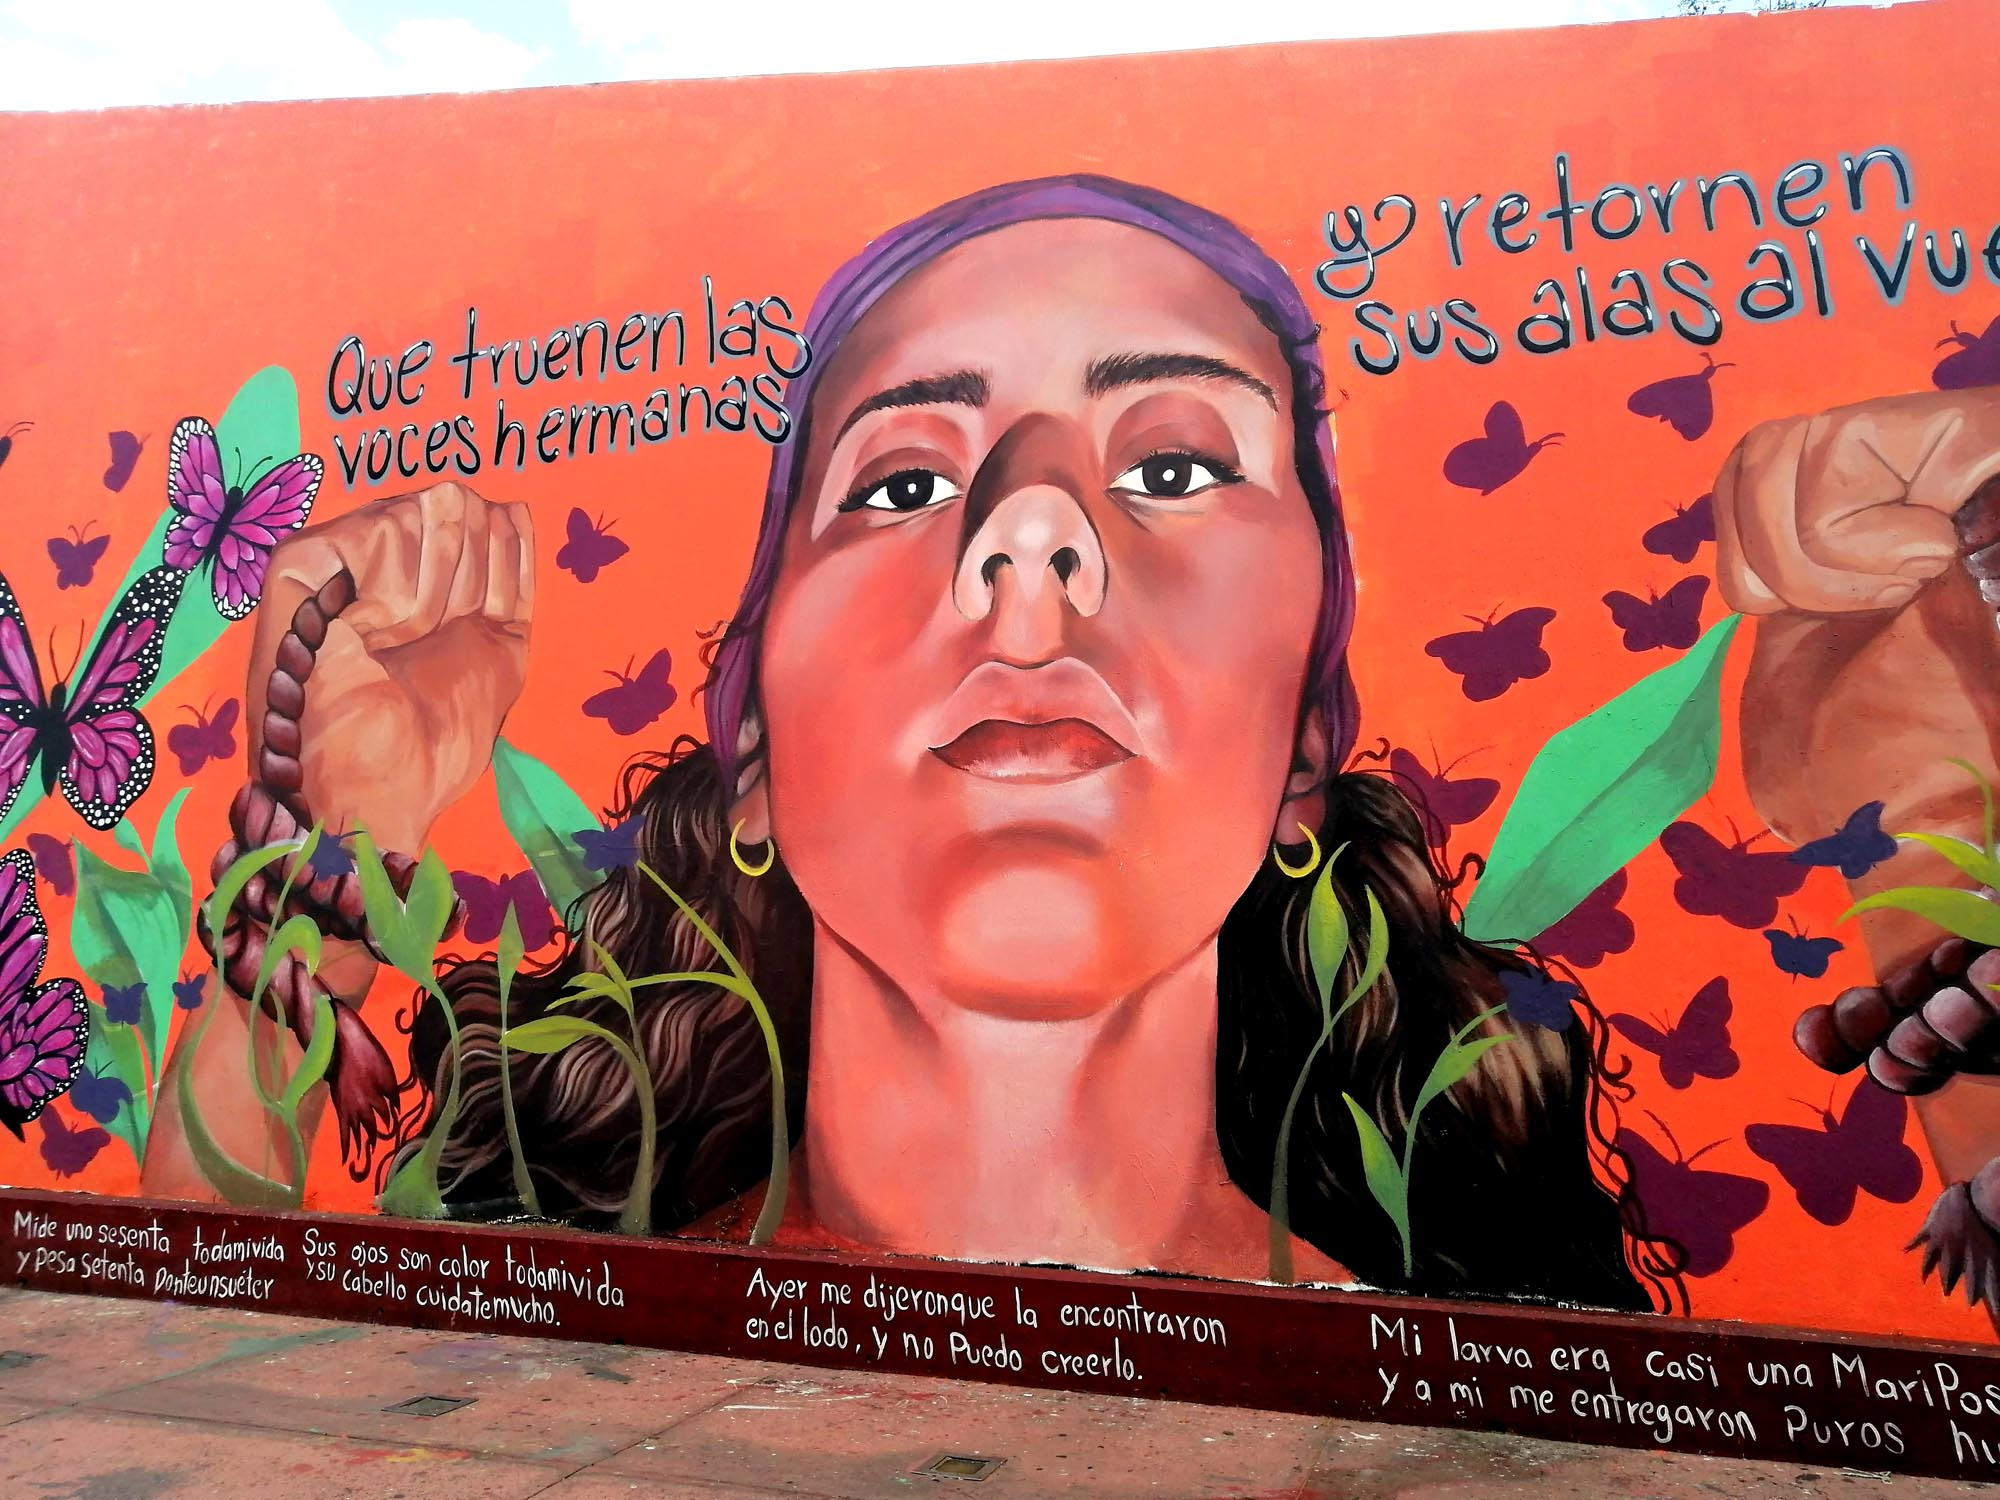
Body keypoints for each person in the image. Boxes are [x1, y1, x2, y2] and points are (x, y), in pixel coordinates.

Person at [141, 175, 2000, 1313]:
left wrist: (1953, 792)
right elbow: (174, 1316)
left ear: (1301, 756)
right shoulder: (579, 1310)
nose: (1034, 537)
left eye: (1177, 463)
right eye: (907, 477)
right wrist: (323, 833)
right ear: (762, 762)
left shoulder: (1469, 1386)